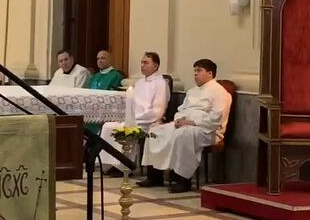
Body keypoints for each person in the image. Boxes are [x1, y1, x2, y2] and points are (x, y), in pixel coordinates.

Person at [139, 58, 232, 193]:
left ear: (210, 73)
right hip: (184, 124)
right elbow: (181, 109)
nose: (195, 74)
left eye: (199, 71)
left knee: (183, 135)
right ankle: (155, 176)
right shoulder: (192, 91)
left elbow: (216, 117)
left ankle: (182, 179)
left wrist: (192, 122)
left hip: (207, 131)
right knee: (155, 132)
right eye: (194, 71)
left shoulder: (220, 92)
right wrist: (179, 119)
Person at [98, 52, 169, 174]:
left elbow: (158, 110)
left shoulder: (161, 83)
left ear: (156, 66)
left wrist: (136, 119)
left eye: (146, 63)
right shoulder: (140, 83)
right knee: (107, 126)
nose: (142, 65)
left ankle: (124, 166)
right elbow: (131, 103)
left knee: (127, 128)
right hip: (134, 118)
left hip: (149, 121)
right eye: (141, 62)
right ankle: (109, 165)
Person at [84, 50, 124, 134]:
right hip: (90, 109)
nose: (100, 60)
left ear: (110, 60)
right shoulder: (95, 76)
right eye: (98, 58)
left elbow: (113, 96)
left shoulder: (116, 75)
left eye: (103, 58)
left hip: (104, 111)